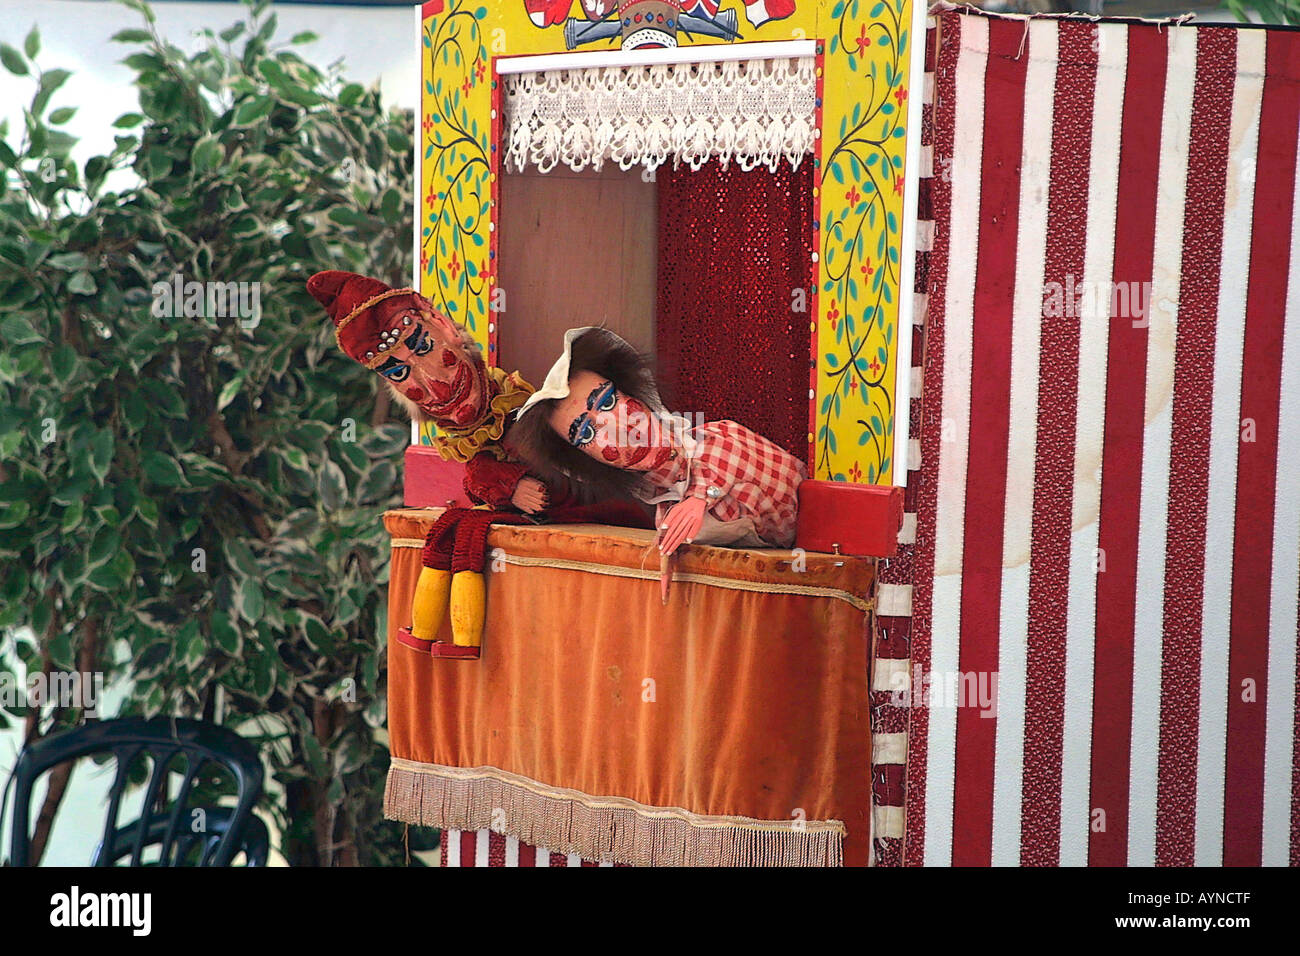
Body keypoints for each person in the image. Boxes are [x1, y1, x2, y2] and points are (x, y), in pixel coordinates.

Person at [511, 327, 806, 597]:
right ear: (587, 461)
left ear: (634, 392)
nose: (616, 429)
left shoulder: (719, 437)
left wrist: (700, 497)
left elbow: (730, 454)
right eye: (587, 433)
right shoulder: (666, 516)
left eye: (608, 402)